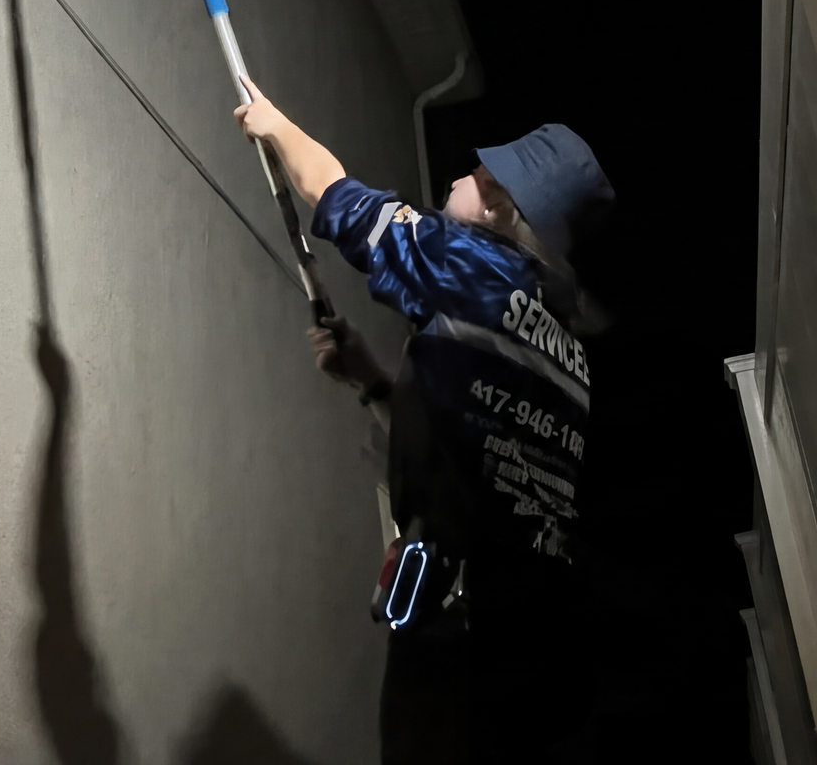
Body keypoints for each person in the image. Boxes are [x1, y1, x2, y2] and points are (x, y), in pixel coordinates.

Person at [234, 78, 612, 764]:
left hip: (462, 643)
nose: (457, 181)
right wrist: (372, 382)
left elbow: (335, 196)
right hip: (542, 653)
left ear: (500, 204)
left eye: (475, 175)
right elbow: (467, 453)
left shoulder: (473, 265)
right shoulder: (570, 356)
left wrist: (274, 123)